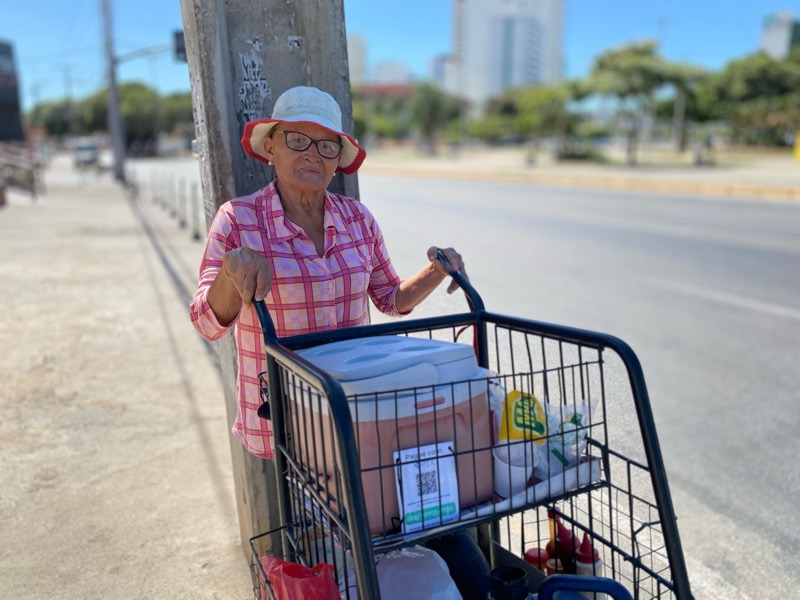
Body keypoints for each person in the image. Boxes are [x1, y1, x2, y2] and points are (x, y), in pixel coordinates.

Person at [189, 86, 467, 459]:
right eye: (298, 140)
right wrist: (230, 272)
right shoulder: (237, 220)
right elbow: (207, 324)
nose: (312, 155)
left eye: (326, 145)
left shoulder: (358, 219)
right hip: (283, 413)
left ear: (338, 159)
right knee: (303, 510)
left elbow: (389, 298)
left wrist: (436, 271)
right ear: (270, 148)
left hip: (354, 405)